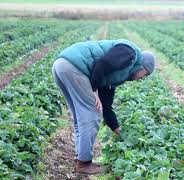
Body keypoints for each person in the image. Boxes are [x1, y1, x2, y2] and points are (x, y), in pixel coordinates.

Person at [52, 39, 155, 174]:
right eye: (145, 74)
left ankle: (80, 159)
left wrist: (117, 129)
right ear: (142, 66)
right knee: (92, 114)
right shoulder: (130, 54)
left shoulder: (119, 74)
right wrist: (94, 90)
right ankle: (84, 164)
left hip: (62, 65)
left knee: (80, 116)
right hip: (74, 67)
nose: (142, 78)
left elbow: (106, 105)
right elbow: (102, 64)